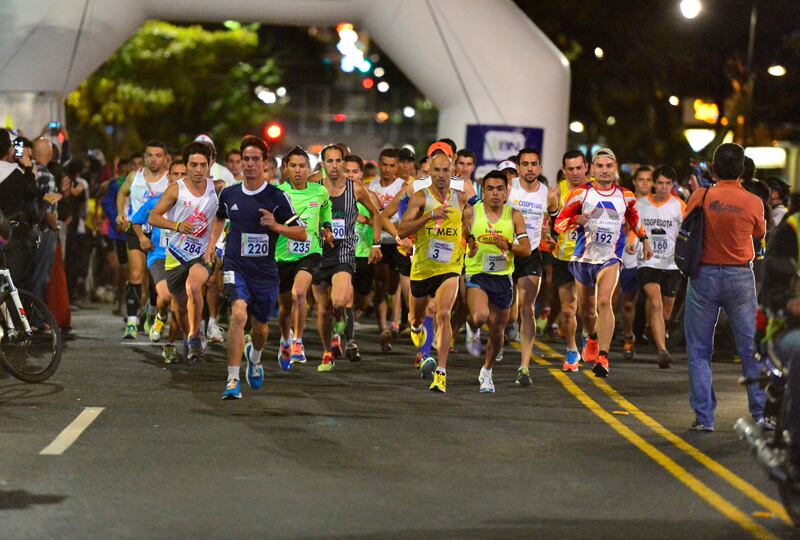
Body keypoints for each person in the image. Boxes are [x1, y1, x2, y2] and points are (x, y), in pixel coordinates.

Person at [207, 136, 305, 399]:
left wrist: (276, 226)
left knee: (260, 328)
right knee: (238, 315)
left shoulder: (276, 197)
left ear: (265, 163)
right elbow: (219, 218)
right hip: (235, 265)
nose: (249, 164)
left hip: (264, 272)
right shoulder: (229, 194)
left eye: (254, 159)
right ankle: (232, 379)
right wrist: (211, 246)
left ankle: (255, 357)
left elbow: (301, 233)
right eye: (245, 159)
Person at [683, 143, 768, 432]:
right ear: (742, 170)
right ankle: (760, 413)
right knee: (750, 348)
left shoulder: (701, 195)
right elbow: (759, 232)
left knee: (699, 349)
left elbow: (686, 223)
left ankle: (704, 418)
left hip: (703, 276)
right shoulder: (753, 201)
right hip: (740, 278)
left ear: (714, 169)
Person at [555, 148, 652, 378]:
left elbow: (633, 218)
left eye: (609, 166)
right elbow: (558, 224)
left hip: (610, 257)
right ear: (592, 169)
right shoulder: (581, 194)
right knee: (588, 311)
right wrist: (575, 219)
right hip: (583, 258)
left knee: (604, 302)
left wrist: (644, 239)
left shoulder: (625, 196)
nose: (604, 170)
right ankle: (592, 337)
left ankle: (603, 358)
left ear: (615, 168)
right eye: (600, 166)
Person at [399, 152, 468, 393]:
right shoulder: (421, 197)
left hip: (450, 266)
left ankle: (441, 372)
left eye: (445, 171)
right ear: (429, 173)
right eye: (436, 170)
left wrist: (473, 241)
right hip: (422, 268)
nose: (441, 175)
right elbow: (402, 229)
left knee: (443, 314)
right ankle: (417, 329)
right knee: (416, 319)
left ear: (452, 173)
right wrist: (429, 215)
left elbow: (468, 225)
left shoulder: (461, 198)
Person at [313, 144, 385, 372]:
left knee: (338, 301)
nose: (334, 166)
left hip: (344, 253)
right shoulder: (314, 187)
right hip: (318, 253)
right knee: (322, 309)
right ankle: (327, 352)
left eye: (338, 161)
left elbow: (376, 214)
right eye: (330, 161)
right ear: (323, 164)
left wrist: (376, 243)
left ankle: (340, 315)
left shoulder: (355, 189)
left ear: (344, 163)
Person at [148, 142, 221, 363]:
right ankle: (189, 334)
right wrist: (177, 226)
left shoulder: (217, 188)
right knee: (179, 309)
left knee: (194, 285)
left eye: (203, 165)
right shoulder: (175, 190)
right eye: (193, 165)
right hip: (177, 254)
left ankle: (194, 335)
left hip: (202, 253)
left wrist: (212, 245)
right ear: (186, 165)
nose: (199, 170)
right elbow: (153, 217)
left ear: (210, 164)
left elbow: (222, 217)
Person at [463, 171, 531, 392]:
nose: (495, 193)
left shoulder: (514, 216)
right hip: (477, 273)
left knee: (497, 332)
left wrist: (508, 245)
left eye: (499, 189)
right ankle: (472, 328)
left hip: (502, 278)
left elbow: (526, 249)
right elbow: (462, 231)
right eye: (490, 189)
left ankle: (487, 371)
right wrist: (469, 241)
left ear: (506, 192)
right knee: (479, 316)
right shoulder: (472, 212)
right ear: (483, 191)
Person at [502, 148, 559, 385]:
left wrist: (551, 236)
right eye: (525, 164)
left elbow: (555, 220)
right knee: (506, 312)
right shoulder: (508, 188)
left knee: (527, 308)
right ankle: (498, 338)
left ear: (540, 167)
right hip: (505, 252)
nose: (530, 168)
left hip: (531, 254)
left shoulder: (548, 194)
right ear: (518, 168)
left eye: (534, 164)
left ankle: (524, 366)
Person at [276, 146, 332, 369]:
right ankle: (286, 340)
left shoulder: (319, 191)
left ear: (308, 168)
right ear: (286, 168)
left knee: (299, 292)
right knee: (284, 309)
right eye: (293, 166)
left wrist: (327, 226)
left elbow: (325, 209)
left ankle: (298, 342)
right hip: (282, 255)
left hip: (310, 251)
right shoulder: (277, 193)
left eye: (302, 166)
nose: (298, 170)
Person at [116, 141, 169, 339]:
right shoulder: (134, 176)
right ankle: (131, 321)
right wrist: (121, 213)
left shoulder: (170, 179)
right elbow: (122, 193)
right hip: (136, 230)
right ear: (145, 157)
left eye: (158, 155)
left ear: (165, 159)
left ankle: (152, 312)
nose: (153, 159)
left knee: (156, 280)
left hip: (160, 233)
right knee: (136, 274)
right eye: (150, 155)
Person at [635, 166, 684, 368]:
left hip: (671, 263)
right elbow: (634, 228)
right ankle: (662, 351)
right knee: (655, 303)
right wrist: (632, 243)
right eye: (661, 183)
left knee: (666, 314)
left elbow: (686, 234)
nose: (664, 187)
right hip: (648, 260)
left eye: (668, 184)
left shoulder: (679, 206)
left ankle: (654, 330)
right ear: (654, 184)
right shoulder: (641, 205)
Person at [550, 150, 591, 370]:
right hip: (563, 256)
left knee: (588, 309)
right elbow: (554, 222)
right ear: (564, 170)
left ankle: (588, 336)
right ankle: (571, 349)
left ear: (586, 167)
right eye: (570, 169)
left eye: (578, 168)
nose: (575, 173)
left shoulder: (597, 190)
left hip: (590, 257)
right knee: (568, 309)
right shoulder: (557, 191)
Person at [368, 148, 407, 351]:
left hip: (397, 242)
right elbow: (371, 215)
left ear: (398, 166)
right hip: (379, 242)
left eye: (392, 165)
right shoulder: (371, 186)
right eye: (384, 165)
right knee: (381, 284)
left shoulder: (404, 186)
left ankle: (395, 321)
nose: (388, 169)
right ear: (379, 164)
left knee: (395, 286)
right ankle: (384, 327)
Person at [620, 166, 653, 360]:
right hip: (629, 256)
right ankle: (628, 335)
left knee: (654, 297)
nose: (645, 183)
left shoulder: (659, 202)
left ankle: (651, 329)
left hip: (652, 257)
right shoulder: (626, 201)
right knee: (628, 302)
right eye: (641, 179)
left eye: (648, 179)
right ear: (634, 182)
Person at [0, 129, 39, 290]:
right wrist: (28, 169)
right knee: (14, 283)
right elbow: (31, 194)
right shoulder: (14, 173)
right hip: (13, 234)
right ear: (8, 149)